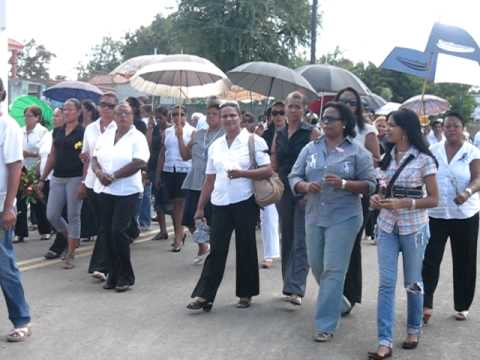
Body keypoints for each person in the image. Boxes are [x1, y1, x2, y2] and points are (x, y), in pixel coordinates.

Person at [289, 102, 376, 342]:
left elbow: (371, 184)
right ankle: (341, 302)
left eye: (330, 119)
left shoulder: (357, 152)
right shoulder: (310, 149)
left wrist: (345, 184)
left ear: (344, 123)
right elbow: (294, 175)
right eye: (323, 119)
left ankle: (325, 324)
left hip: (345, 217)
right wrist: (305, 186)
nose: (325, 123)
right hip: (315, 215)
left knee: (333, 269)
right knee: (317, 266)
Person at [187, 101, 272, 311]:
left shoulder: (254, 141)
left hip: (244, 201)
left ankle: (246, 293)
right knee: (216, 250)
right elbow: (209, 178)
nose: (228, 119)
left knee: (246, 247)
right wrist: (200, 208)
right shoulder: (216, 145)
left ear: (240, 117)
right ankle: (204, 296)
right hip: (220, 202)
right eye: (224, 116)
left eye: (232, 115)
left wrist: (243, 174)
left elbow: (268, 170)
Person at [368, 109, 438, 359]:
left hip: (414, 228)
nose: (385, 129)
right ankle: (384, 341)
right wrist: (376, 199)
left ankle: (413, 329)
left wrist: (405, 203)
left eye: (391, 125)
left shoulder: (424, 159)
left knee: (412, 283)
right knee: (386, 284)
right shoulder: (386, 158)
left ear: (405, 129)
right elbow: (381, 190)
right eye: (385, 125)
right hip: (387, 227)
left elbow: (433, 199)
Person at [423, 111, 480, 322]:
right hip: (436, 213)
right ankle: (425, 303)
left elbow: (477, 178)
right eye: (447, 126)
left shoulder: (471, 151)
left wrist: (468, 192)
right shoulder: (433, 150)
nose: (451, 130)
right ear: (442, 129)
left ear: (462, 128)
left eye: (455, 126)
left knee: (464, 259)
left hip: (464, 214)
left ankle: (462, 304)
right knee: (430, 259)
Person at [91, 102, 149, 292]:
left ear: (132, 116)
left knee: (118, 231)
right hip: (105, 189)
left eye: (126, 113)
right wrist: (99, 173)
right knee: (106, 233)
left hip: (127, 191)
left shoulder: (137, 137)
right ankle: (113, 274)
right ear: (114, 116)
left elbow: (139, 162)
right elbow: (94, 158)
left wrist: (114, 176)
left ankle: (126, 275)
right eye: (119, 113)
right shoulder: (107, 133)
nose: (122, 116)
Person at [271, 91, 320, 306]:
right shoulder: (279, 132)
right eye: (289, 106)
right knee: (287, 236)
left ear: (304, 110)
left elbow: (318, 162)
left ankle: (296, 287)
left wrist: (309, 189)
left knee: (302, 238)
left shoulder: (312, 133)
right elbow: (274, 160)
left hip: (303, 190)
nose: (292, 111)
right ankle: (288, 283)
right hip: (283, 189)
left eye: (297, 107)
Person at [336, 87, 381, 315]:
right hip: (331, 196)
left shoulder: (367, 130)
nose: (348, 105)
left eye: (352, 102)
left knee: (351, 246)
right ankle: (333, 293)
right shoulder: (330, 128)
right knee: (332, 247)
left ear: (358, 105)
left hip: (357, 194)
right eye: (343, 101)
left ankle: (350, 295)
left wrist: (353, 166)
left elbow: (376, 160)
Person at [0, 77, 32, 342]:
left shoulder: (8, 126)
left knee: (4, 265)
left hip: (0, 207)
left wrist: (9, 207)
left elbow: (15, 167)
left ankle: (21, 319)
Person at [38, 98, 85, 269]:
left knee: (73, 215)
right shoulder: (57, 131)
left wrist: (84, 182)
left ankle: (71, 253)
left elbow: (86, 159)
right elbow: (52, 155)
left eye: (70, 109)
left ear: (78, 112)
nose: (66, 112)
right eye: (64, 109)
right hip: (57, 177)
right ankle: (71, 238)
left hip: (75, 177)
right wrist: (42, 178)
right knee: (52, 214)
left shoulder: (83, 132)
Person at [180, 97, 224, 265]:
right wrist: (179, 137)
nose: (211, 117)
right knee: (188, 219)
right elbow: (185, 155)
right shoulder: (199, 134)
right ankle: (203, 245)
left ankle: (216, 249)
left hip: (214, 183)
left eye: (215, 114)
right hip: (194, 180)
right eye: (209, 114)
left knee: (213, 220)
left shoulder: (224, 135)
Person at [82, 93, 119, 281]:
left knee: (107, 225)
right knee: (103, 225)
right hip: (92, 181)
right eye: (103, 105)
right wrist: (83, 181)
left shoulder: (120, 128)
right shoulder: (90, 128)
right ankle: (109, 260)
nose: (106, 109)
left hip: (112, 183)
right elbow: (86, 156)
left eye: (111, 106)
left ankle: (101, 265)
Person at [156, 106, 195, 252]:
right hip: (169, 169)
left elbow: (189, 152)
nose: (178, 117)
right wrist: (158, 174)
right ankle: (179, 232)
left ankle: (179, 236)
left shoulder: (192, 131)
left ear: (186, 116)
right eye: (174, 115)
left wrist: (180, 136)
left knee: (180, 204)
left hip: (184, 169)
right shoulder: (167, 132)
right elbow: (162, 153)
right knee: (174, 206)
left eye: (181, 114)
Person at [14, 106, 49, 243]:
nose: (27, 119)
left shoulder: (42, 131)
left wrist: (30, 154)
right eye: (26, 116)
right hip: (22, 168)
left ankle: (45, 229)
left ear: (37, 118)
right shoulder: (20, 131)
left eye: (30, 116)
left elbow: (44, 152)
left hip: (36, 167)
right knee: (20, 200)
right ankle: (20, 232)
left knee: (38, 200)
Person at [259, 101, 286, 269]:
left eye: (281, 112)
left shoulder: (294, 133)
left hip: (289, 178)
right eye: (274, 113)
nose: (278, 116)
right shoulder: (264, 135)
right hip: (269, 179)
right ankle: (269, 254)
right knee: (268, 216)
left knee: (289, 220)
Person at [39, 108, 67, 260]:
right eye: (54, 116)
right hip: (47, 178)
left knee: (58, 214)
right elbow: (43, 157)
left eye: (58, 115)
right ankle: (67, 238)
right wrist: (39, 177)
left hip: (60, 179)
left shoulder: (65, 135)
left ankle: (61, 243)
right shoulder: (48, 134)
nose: (54, 118)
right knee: (51, 214)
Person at [150, 106, 170, 241]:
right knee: (157, 201)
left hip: (166, 168)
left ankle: (178, 230)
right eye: (156, 118)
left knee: (169, 202)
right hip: (154, 165)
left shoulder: (172, 130)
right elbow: (150, 146)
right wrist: (150, 128)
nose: (158, 120)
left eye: (160, 118)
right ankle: (163, 231)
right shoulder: (156, 129)